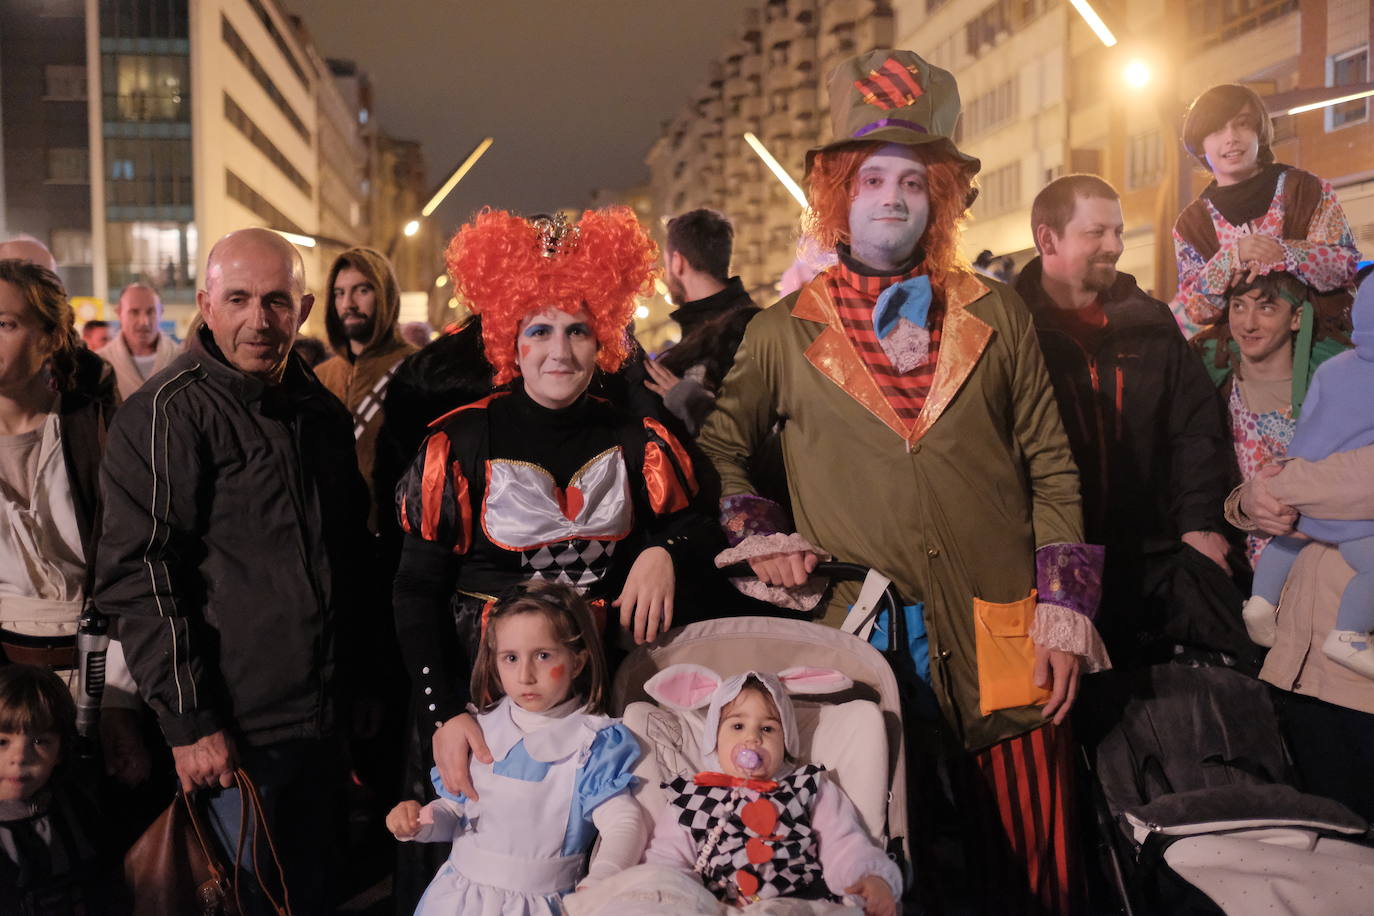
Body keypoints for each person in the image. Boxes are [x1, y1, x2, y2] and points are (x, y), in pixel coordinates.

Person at [694, 50, 1104, 914]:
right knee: (880, 860)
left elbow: (1052, 460)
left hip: (1003, 626)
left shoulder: (995, 311)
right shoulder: (780, 332)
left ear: (940, 200)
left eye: (913, 183)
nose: (891, 198)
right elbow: (720, 447)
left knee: (1038, 868)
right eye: (871, 177)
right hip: (862, 636)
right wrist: (763, 536)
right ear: (840, 193)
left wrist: (1066, 614)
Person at [392, 207, 719, 798]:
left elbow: (700, 522)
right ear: (509, 344)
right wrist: (445, 712)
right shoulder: (461, 440)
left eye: (578, 329)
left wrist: (664, 551)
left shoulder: (634, 435)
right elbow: (416, 589)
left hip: (601, 698)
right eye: (539, 330)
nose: (559, 351)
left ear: (603, 341)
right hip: (484, 697)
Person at [95, 228, 370, 913]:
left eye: (277, 301)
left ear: (302, 311)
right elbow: (141, 577)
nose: (259, 319)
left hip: (327, 723)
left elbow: (351, 558)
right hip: (237, 733)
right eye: (240, 298)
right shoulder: (165, 414)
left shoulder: (319, 412)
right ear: (207, 305)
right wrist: (190, 725)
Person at [1015, 175, 1232, 665]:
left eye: (1118, 232)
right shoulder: (1012, 328)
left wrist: (1198, 522)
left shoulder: (1150, 321)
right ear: (1047, 238)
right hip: (1049, 568)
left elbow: (1193, 429)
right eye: (1096, 233)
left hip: (1151, 558)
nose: (1114, 246)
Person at [386, 582, 644, 913]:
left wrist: (602, 880)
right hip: (458, 900)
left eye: (543, 655)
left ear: (578, 662)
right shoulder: (480, 727)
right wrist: (421, 822)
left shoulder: (592, 743)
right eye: (510, 658)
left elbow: (624, 821)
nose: (525, 675)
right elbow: (455, 812)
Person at [0, 260, 145, 784]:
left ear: (51, 337)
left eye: (5, 324)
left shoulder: (94, 429)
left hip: (99, 672)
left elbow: (130, 570)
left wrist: (119, 704)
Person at [639, 665, 899, 914]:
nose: (752, 738)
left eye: (767, 728)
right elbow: (667, 859)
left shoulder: (807, 786)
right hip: (720, 906)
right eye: (738, 726)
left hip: (799, 903)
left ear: (786, 741)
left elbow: (842, 844)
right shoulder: (691, 796)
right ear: (714, 739)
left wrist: (869, 876)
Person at [1227, 444, 1374, 821]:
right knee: (1330, 838)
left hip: (1361, 686)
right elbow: (1286, 473)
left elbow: (1352, 483)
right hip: (1303, 669)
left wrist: (1277, 486)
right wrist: (1251, 498)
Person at [1243, 277, 1374, 677]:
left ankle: (1261, 601)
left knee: (1291, 533)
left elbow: (1312, 441)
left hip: (1301, 501)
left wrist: (1276, 484)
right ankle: (1349, 632)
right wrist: (1252, 497)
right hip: (1300, 656)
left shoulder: (1334, 367)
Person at [1170, 83, 1358, 337]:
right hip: (1240, 359)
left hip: (1318, 344)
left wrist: (1283, 252)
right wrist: (1231, 258)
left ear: (1259, 131)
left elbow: (1344, 265)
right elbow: (1196, 310)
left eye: (1243, 123)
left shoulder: (1306, 189)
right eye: (1216, 129)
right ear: (1200, 144)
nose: (1231, 137)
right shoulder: (1191, 224)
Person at [1193, 271, 1351, 566]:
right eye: (1238, 306)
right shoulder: (1214, 389)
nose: (1248, 323)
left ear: (1296, 318)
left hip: (1325, 559)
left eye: (1266, 308)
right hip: (1240, 564)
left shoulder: (1330, 389)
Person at [0, 664, 124, 915]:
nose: (20, 758)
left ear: (59, 751)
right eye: (2, 741)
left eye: (39, 741)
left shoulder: (74, 805)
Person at [314, 247, 417, 529]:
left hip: (396, 535)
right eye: (339, 293)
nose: (348, 303)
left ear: (385, 296)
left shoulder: (418, 369)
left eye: (362, 290)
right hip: (334, 537)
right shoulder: (319, 377)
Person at [642, 209, 759, 435]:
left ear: (678, 263)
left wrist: (690, 401)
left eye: (666, 264)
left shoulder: (732, 333)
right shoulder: (756, 324)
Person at [96, 283, 178, 402]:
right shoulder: (100, 363)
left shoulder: (182, 358)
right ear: (119, 313)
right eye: (134, 312)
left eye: (151, 312)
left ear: (161, 313)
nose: (144, 322)